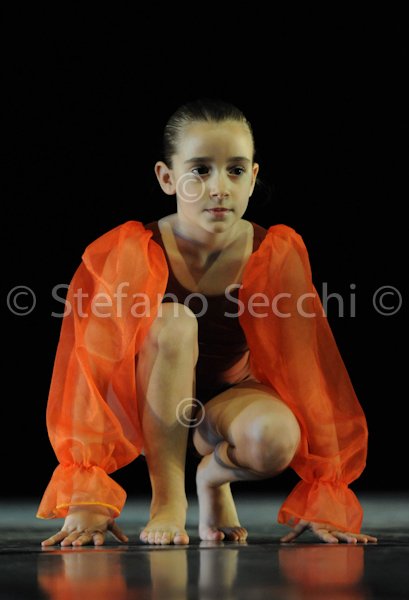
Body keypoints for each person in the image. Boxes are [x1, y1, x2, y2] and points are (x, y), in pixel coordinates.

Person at [39, 98, 377, 547]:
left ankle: (213, 478)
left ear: (252, 178)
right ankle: (168, 501)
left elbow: (308, 371)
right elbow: (90, 370)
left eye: (235, 170)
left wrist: (325, 493)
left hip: (226, 404)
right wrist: (86, 494)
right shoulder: (132, 250)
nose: (219, 187)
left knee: (275, 438)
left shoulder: (273, 252)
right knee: (174, 321)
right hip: (148, 402)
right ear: (167, 178)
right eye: (200, 170)